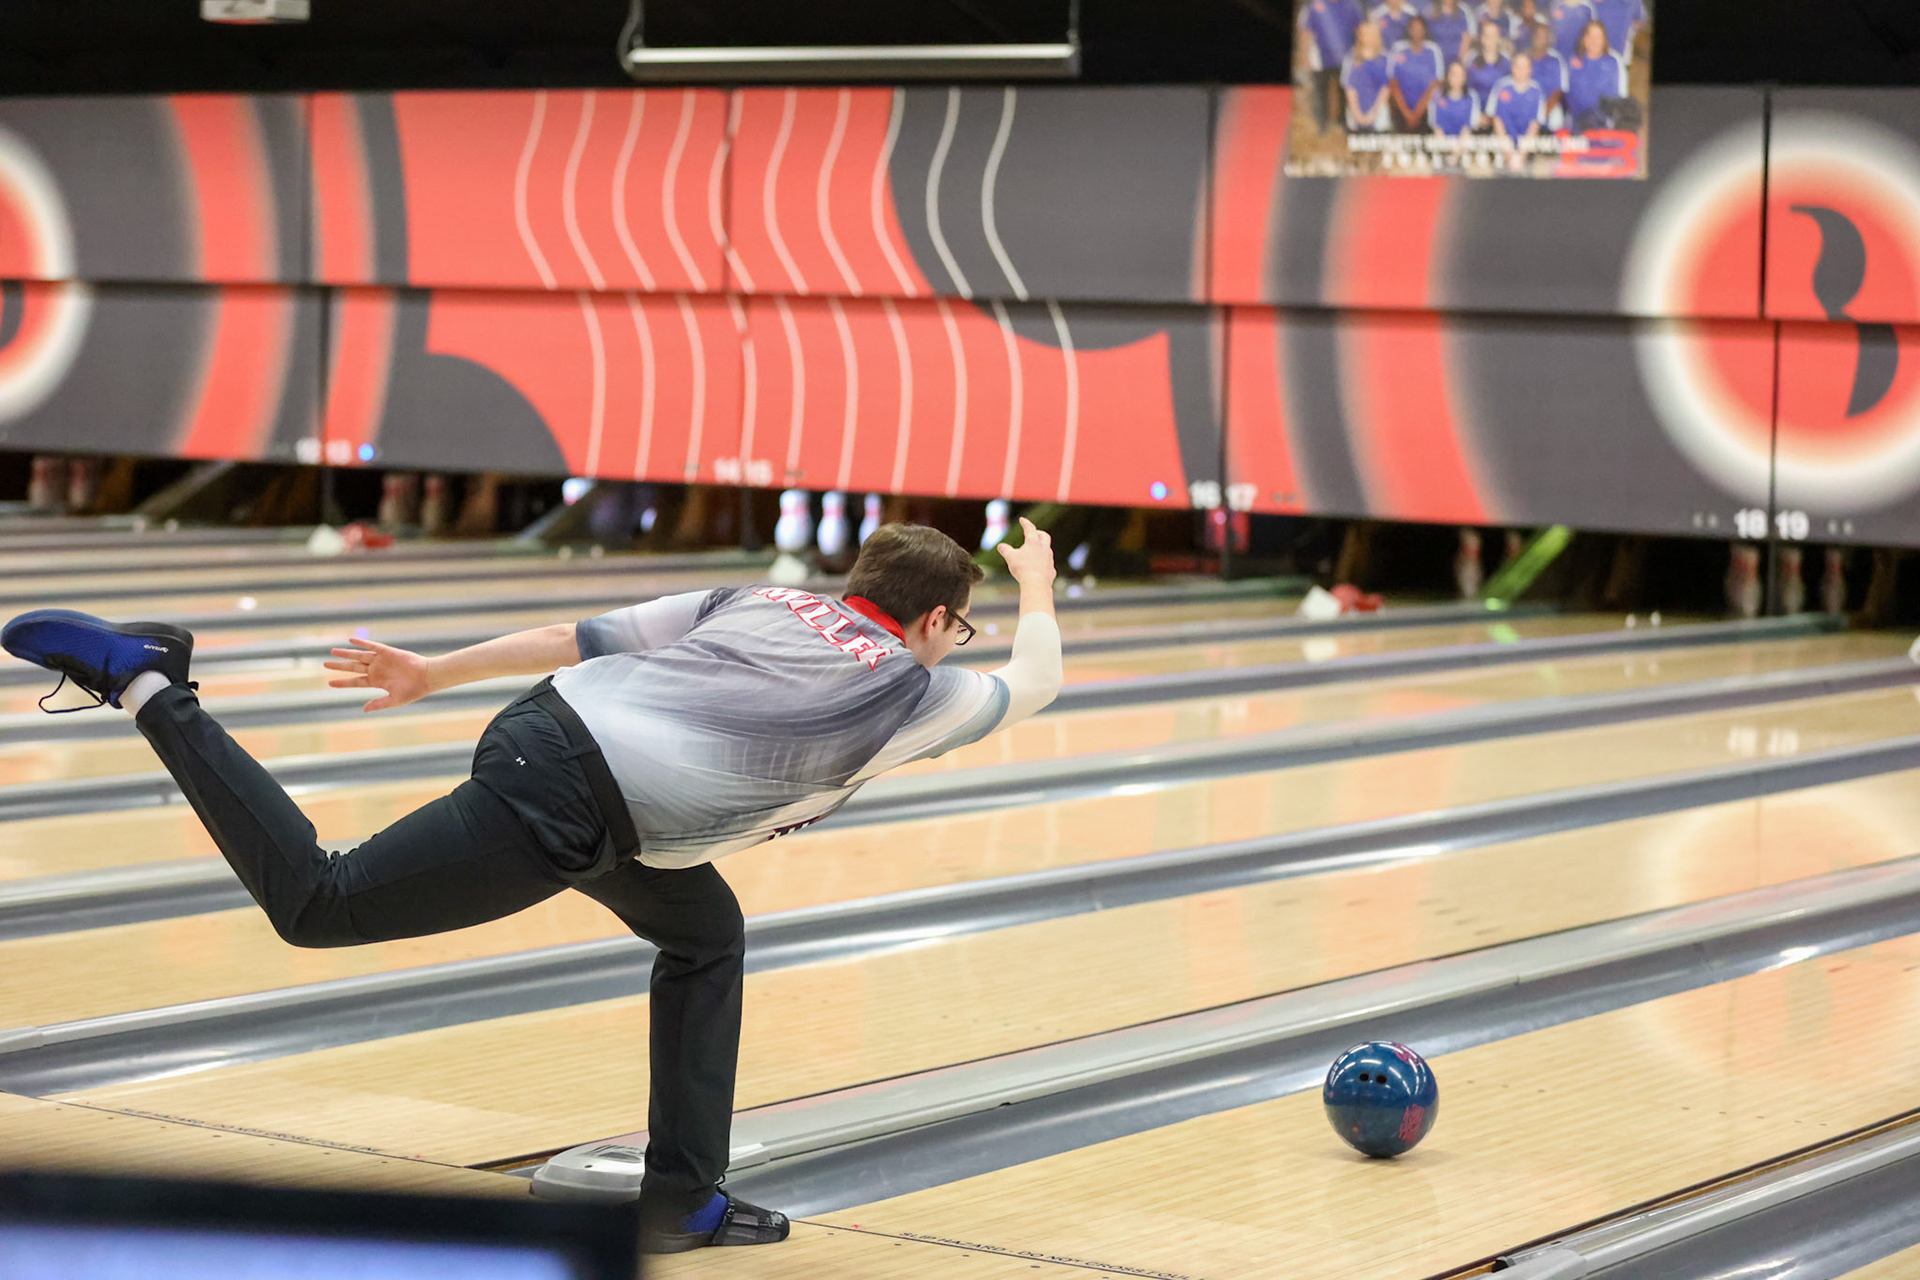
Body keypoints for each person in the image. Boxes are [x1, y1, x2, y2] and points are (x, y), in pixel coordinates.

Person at [0, 520, 1065, 1255]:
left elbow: (576, 637)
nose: (958, 646)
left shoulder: (758, 598)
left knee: (705, 934)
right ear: (932, 623)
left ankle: (684, 1199)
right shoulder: (916, 689)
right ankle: (152, 682)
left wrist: (431, 670)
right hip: (573, 803)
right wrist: (1042, 586)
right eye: (960, 626)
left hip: (560, 747)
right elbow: (1043, 680)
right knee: (317, 901)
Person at [1299, 0, 1367, 134]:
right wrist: (1305, 58)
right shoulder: (1314, 5)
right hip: (1319, 59)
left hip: (1347, 58)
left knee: (1345, 93)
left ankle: (1343, 122)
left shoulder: (1353, 5)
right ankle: (1321, 126)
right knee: (1320, 93)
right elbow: (1306, 33)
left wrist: (1360, 54)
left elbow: (1360, 30)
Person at [1564, 18, 1627, 132]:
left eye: (1598, 37)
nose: (1594, 41)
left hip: (1604, 124)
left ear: (1604, 40)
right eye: (1590, 36)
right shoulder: (1573, 62)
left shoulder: (1613, 62)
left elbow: (1619, 97)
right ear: (1584, 39)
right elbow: (1569, 96)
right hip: (1578, 124)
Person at [1388, 16, 1446, 133]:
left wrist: (1417, 113)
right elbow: (1393, 83)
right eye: (1414, 28)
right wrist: (1406, 113)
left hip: (1426, 111)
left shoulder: (1433, 50)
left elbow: (1435, 84)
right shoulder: (1398, 49)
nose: (1417, 31)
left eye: (1420, 28)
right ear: (1409, 30)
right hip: (1401, 110)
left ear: (1425, 30)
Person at [1487, 51, 1546, 164]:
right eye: (1518, 66)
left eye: (1525, 67)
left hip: (1526, 150)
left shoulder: (1536, 91)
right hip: (1502, 147)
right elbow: (1497, 120)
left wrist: (1521, 155)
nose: (1521, 70)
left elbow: (1535, 125)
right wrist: (1509, 153)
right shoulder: (1501, 86)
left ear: (1530, 69)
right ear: (1512, 68)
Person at [1342, 21, 1393, 136]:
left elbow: (1386, 88)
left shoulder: (1385, 58)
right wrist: (1358, 115)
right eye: (1365, 34)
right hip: (1355, 116)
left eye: (1372, 34)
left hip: (1379, 116)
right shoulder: (1350, 58)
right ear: (1360, 36)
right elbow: (1349, 88)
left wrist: (1374, 113)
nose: (1368, 38)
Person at [1463, 19, 1511, 119]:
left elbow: (1509, 94)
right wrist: (1476, 115)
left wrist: (1496, 118)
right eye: (1486, 36)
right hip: (1476, 116)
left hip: (1500, 118)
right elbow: (1465, 92)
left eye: (1494, 36)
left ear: (1499, 38)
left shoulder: (1507, 63)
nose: (1490, 40)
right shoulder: (1471, 61)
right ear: (1481, 38)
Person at [1525, 19, 1569, 126]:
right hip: (1526, 105)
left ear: (1548, 39)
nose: (1539, 39)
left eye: (1543, 36)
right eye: (1537, 35)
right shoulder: (1525, 58)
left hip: (1549, 107)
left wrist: (1543, 113)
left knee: (1556, 116)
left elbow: (1559, 91)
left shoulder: (1556, 60)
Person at [1428, 59, 1480, 138]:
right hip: (1440, 141)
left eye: (1460, 75)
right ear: (1448, 76)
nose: (1456, 78)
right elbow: (1434, 124)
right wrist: (1444, 146)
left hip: (1463, 142)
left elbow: (1470, 126)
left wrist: (1459, 147)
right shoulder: (1437, 95)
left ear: (1464, 77)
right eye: (1453, 74)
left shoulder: (1472, 96)